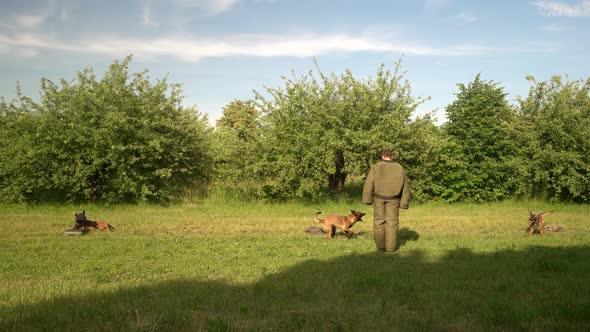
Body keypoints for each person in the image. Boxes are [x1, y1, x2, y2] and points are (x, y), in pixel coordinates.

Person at [362, 149, 410, 253]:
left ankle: (380, 247)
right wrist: (404, 203)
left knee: (379, 221)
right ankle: (390, 248)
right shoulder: (399, 167)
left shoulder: (377, 166)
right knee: (392, 222)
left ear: (383, 156)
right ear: (391, 156)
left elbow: (369, 182)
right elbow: (405, 186)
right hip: (394, 199)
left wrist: (367, 199)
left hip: (378, 198)